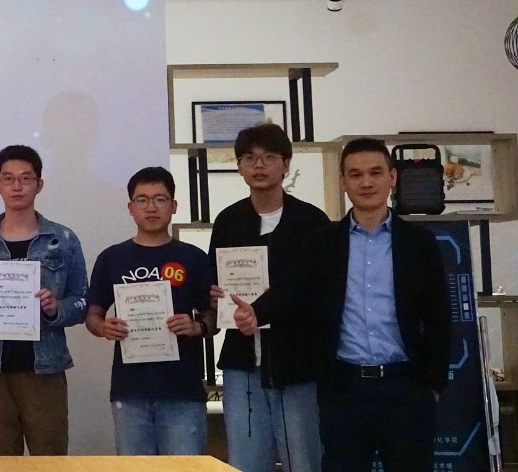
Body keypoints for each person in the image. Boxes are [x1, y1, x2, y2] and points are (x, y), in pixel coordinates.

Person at [236, 138, 451, 471]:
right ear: (343, 182)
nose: (366, 183)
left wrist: (432, 385)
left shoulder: (419, 243)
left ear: (392, 177)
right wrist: (256, 312)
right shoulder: (323, 241)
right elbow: (291, 290)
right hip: (344, 389)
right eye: (355, 174)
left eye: (375, 173)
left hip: (406, 388)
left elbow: (439, 318)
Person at [208, 124, 330, 472]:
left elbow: (319, 291)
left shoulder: (312, 221)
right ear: (239, 167)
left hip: (298, 364)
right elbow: (214, 278)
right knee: (245, 463)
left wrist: (266, 309)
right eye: (249, 158)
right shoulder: (228, 220)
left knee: (304, 462)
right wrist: (216, 297)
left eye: (269, 157)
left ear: (286, 164)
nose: (259, 165)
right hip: (242, 363)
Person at [0, 144, 88, 455]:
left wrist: (56, 308)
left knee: (50, 461)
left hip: (45, 371)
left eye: (26, 178)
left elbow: (81, 301)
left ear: (39, 184)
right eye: (8, 178)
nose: (17, 186)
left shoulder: (63, 240)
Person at [86, 166, 214, 455]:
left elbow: (214, 315)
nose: (151, 207)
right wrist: (103, 327)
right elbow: (93, 315)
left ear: (174, 205)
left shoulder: (193, 258)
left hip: (182, 391)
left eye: (160, 199)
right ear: (130, 208)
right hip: (130, 391)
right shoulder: (111, 258)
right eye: (142, 199)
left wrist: (197, 326)